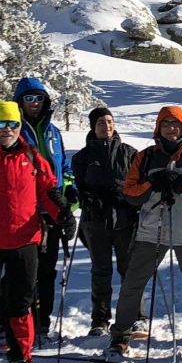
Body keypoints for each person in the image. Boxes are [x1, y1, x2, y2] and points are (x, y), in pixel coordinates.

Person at [0, 101, 74, 363]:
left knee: (21, 303)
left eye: (12, 124)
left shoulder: (31, 155)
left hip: (25, 240)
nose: (8, 130)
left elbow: (48, 190)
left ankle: (19, 361)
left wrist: (62, 213)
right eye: (0, 124)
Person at [102, 106, 182, 363]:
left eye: (175, 124)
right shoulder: (144, 157)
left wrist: (180, 184)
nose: (170, 128)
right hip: (151, 231)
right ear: (158, 128)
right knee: (133, 284)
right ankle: (120, 337)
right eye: (165, 124)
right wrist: (153, 183)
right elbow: (131, 193)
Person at [0, 77, 76, 341]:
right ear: (19, 101)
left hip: (51, 211)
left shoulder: (53, 132)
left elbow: (63, 166)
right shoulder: (14, 130)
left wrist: (69, 188)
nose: (34, 103)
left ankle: (42, 323)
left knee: (47, 270)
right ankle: (6, 325)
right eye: (29, 98)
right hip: (23, 212)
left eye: (39, 98)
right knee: (18, 271)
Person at [71, 107, 144, 337]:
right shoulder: (82, 157)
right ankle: (100, 319)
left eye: (110, 121)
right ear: (94, 126)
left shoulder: (129, 153)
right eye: (101, 122)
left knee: (129, 270)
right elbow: (75, 187)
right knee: (101, 271)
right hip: (95, 222)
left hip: (124, 220)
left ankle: (136, 316)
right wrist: (86, 196)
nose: (107, 125)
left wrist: (126, 196)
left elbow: (140, 185)